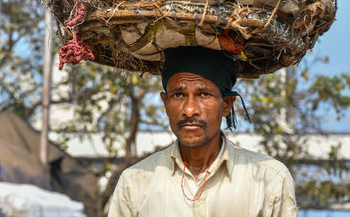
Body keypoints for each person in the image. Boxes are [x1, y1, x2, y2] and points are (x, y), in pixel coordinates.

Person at [108, 46, 298, 217]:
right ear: (166, 103)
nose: (189, 109)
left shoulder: (270, 179)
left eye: (204, 94)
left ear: (226, 105)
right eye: (178, 94)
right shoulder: (134, 183)